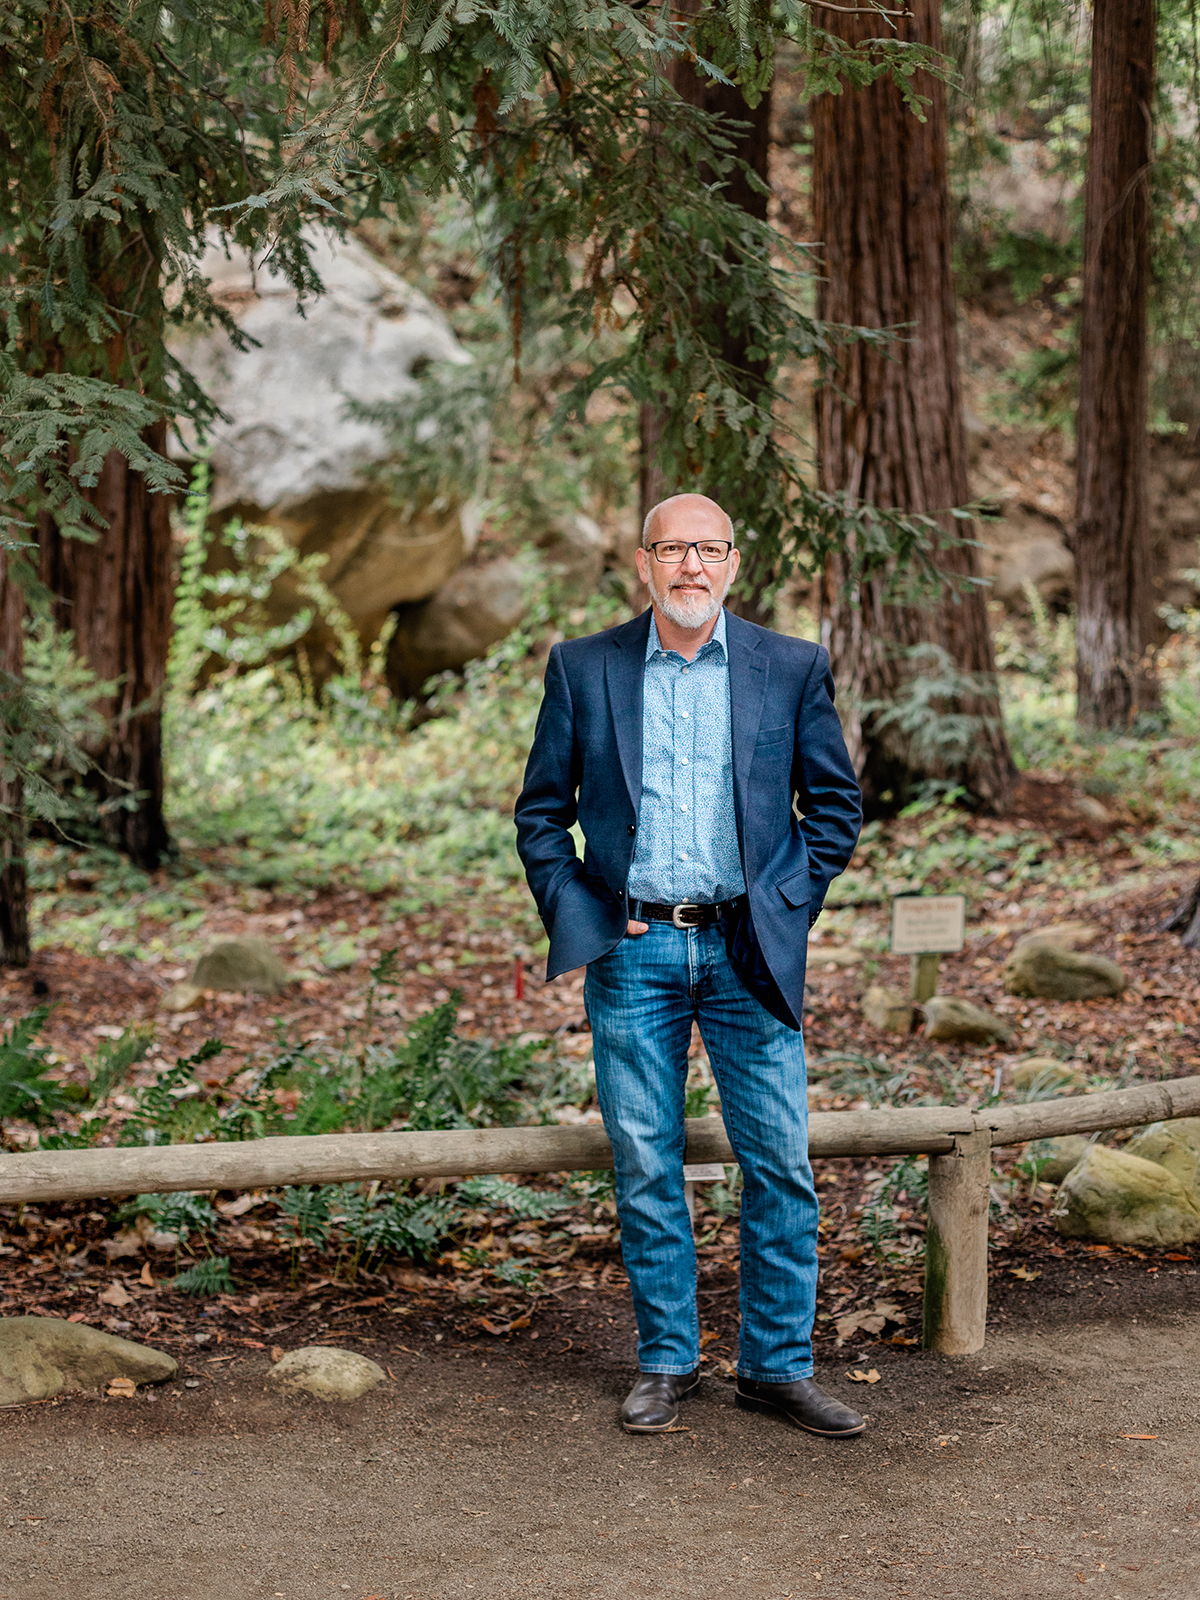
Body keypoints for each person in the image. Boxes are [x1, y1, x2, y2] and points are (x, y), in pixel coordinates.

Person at [514, 493, 865, 1438]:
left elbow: (835, 807)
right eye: (674, 550)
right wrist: (585, 912)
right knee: (645, 1163)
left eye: (708, 549)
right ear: (644, 563)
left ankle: (777, 1367)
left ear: (734, 562)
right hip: (636, 951)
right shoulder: (584, 668)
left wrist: (786, 905)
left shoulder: (788, 667)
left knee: (781, 1164)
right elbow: (541, 816)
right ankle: (666, 1363)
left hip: (748, 949)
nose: (691, 567)